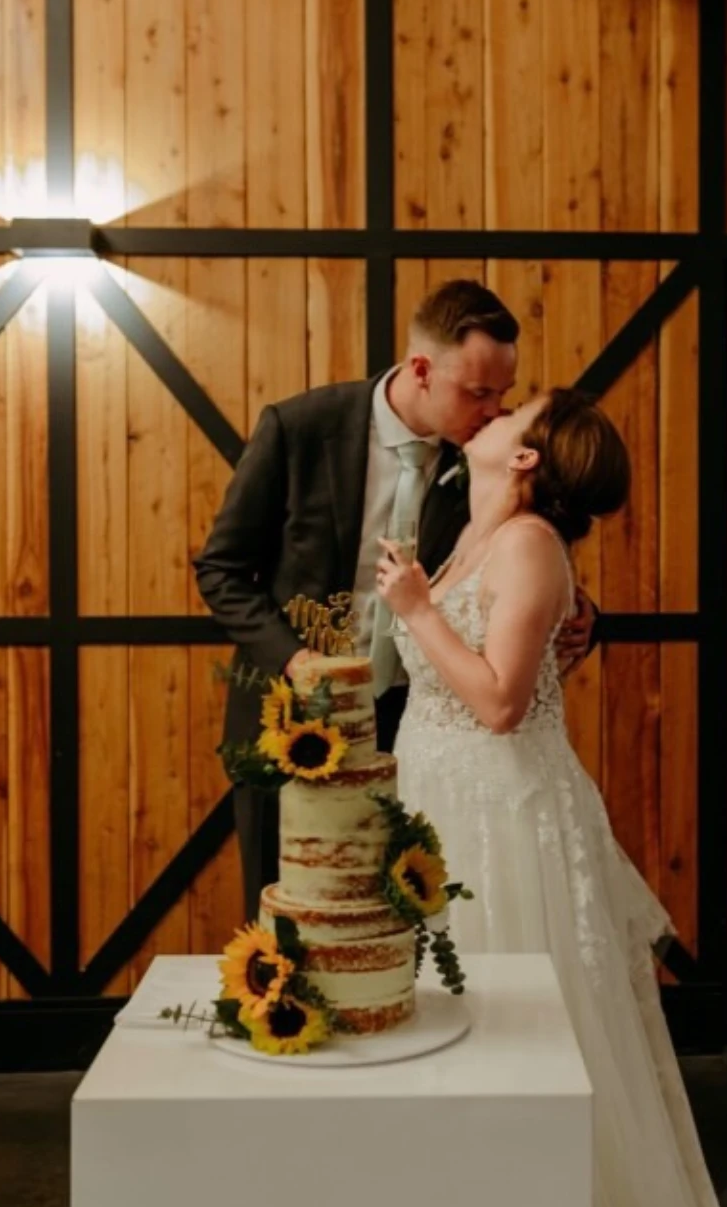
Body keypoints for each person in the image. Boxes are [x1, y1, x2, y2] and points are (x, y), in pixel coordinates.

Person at [376, 387, 727, 1207]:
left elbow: (499, 702)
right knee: (452, 1022)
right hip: (437, 802)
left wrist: (416, 610)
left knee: (515, 1024)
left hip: (501, 816)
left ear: (526, 458)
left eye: (511, 414)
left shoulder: (528, 543)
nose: (490, 416)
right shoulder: (474, 533)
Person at [193, 281, 598, 919]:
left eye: (503, 394)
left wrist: (585, 614)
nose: (494, 411)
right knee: (288, 925)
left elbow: (515, 567)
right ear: (422, 369)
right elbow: (221, 568)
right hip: (292, 723)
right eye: (478, 392)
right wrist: (297, 660)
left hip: (416, 736)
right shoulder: (300, 428)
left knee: (400, 932)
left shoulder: (483, 459)